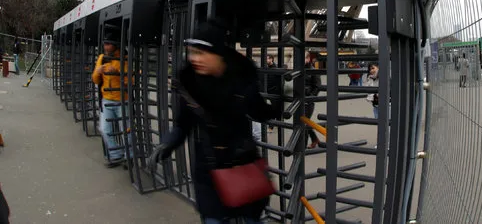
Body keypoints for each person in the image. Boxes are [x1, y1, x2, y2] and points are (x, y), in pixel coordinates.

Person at [150, 19, 279, 224]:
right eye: (192, 52)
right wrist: (167, 143)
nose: (194, 58)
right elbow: (183, 124)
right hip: (208, 170)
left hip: (242, 164)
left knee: (251, 219)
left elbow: (260, 112)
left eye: (201, 52)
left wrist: (279, 100)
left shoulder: (242, 80)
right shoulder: (190, 85)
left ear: (218, 54)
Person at [92, 30, 132, 168]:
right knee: (104, 129)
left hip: (123, 100)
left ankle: (129, 156)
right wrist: (98, 72)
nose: (106, 47)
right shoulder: (102, 58)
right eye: (105, 44)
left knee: (127, 130)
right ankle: (116, 155)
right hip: (107, 100)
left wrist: (118, 73)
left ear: (116, 45)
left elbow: (131, 80)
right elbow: (96, 80)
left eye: (108, 44)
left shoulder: (125, 58)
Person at [304, 52, 321, 149]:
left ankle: (303, 146)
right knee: (304, 122)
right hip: (299, 100)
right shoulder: (299, 70)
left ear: (308, 59)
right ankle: (314, 139)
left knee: (304, 122)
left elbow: (317, 87)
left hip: (308, 101)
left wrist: (310, 97)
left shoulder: (313, 71)